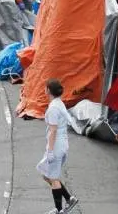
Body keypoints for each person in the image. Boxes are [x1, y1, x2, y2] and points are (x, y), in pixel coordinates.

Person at [39, 78, 79, 214]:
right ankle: (69, 199)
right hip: (62, 144)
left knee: (52, 178)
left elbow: (53, 130)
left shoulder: (53, 109)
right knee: (47, 174)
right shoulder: (58, 103)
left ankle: (59, 209)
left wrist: (50, 151)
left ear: (48, 90)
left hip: (56, 146)